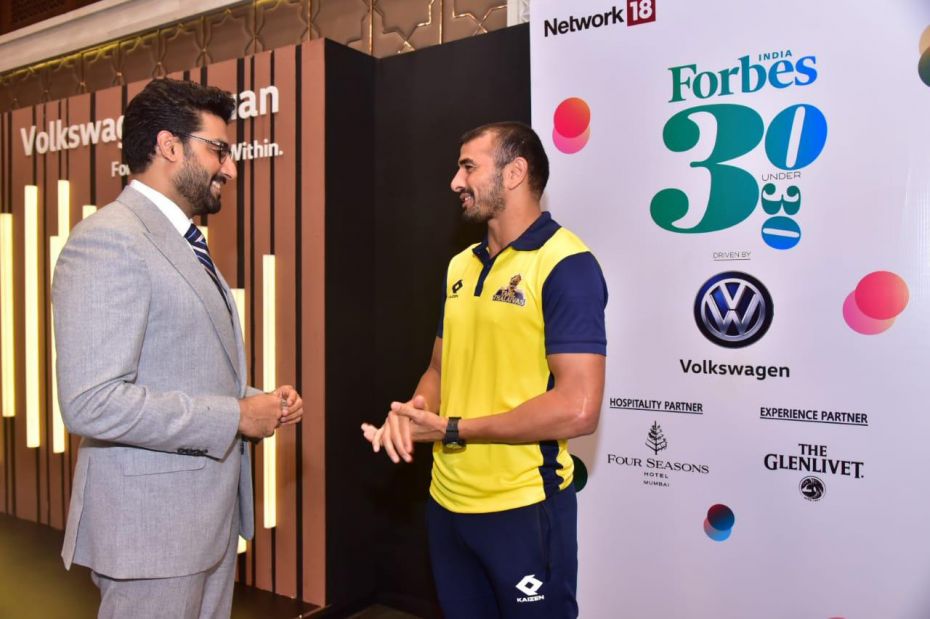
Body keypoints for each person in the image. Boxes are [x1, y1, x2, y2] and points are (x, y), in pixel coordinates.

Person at [52, 78, 302, 618]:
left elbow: (178, 366)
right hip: (151, 537)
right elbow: (91, 401)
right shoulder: (109, 239)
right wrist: (236, 415)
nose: (230, 169)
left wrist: (260, 401)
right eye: (219, 150)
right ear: (169, 147)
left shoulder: (180, 240)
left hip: (201, 528)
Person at [362, 122, 607, 618]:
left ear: (515, 172)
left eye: (469, 166)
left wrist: (456, 428)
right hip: (447, 504)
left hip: (524, 508)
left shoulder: (567, 264)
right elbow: (439, 368)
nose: (455, 181)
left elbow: (578, 409)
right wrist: (414, 413)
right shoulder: (460, 266)